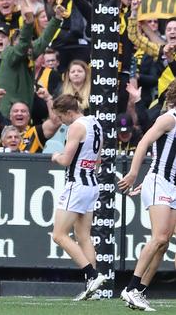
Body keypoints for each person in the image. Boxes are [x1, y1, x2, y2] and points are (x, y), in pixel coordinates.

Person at [118, 81, 176, 312]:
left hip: (171, 184)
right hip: (160, 182)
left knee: (163, 243)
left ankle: (139, 291)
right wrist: (134, 173)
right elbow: (143, 143)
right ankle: (131, 288)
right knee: (160, 237)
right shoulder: (169, 118)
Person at [49, 94, 106, 301]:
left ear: (69, 112)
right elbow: (98, 159)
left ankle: (93, 275)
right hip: (92, 183)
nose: (61, 122)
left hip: (77, 184)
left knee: (59, 235)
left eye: (60, 117)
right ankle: (93, 290)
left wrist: (55, 156)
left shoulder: (76, 126)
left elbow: (66, 159)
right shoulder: (96, 124)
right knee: (83, 236)